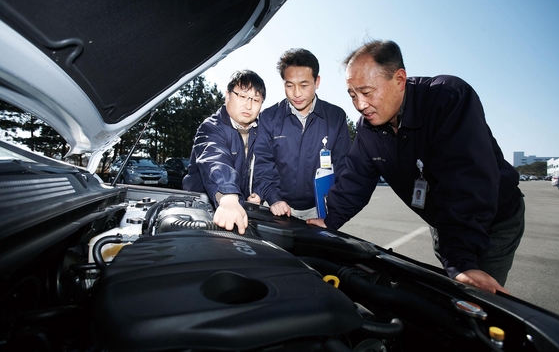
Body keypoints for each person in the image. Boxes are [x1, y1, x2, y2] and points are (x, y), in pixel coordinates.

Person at [307, 40, 524, 294]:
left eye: (366, 92)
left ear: (399, 79)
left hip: (492, 222)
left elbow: (467, 185)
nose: (360, 104)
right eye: (352, 95)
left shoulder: (448, 98)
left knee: (475, 301)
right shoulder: (368, 130)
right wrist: (329, 220)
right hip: (445, 223)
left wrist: (462, 262)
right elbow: (355, 181)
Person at [253, 48, 352, 219]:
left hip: (321, 208)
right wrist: (274, 199)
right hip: (280, 208)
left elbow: (344, 167)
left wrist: (334, 209)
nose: (297, 93)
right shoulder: (268, 118)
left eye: (304, 85)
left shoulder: (336, 117)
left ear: (317, 81)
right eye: (289, 85)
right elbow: (263, 165)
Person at [182, 70, 265, 234]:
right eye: (242, 96)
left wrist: (258, 194)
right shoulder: (211, 128)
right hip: (201, 211)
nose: (248, 105)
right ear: (227, 95)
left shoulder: (262, 133)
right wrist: (228, 198)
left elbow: (267, 167)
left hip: (240, 211)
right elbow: (215, 159)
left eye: (256, 100)